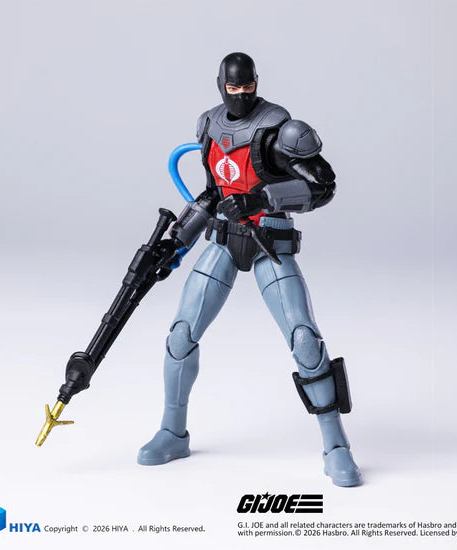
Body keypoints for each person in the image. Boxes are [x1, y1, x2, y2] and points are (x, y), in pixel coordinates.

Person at [138, 52, 361, 487]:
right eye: (232, 88)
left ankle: (336, 446)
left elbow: (324, 186)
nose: (240, 95)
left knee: (305, 340)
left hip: (268, 243)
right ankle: (172, 433)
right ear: (221, 85)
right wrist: (175, 243)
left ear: (256, 83)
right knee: (181, 335)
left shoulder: (280, 131)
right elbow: (211, 194)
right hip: (224, 240)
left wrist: (261, 199)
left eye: (247, 87)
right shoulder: (209, 126)